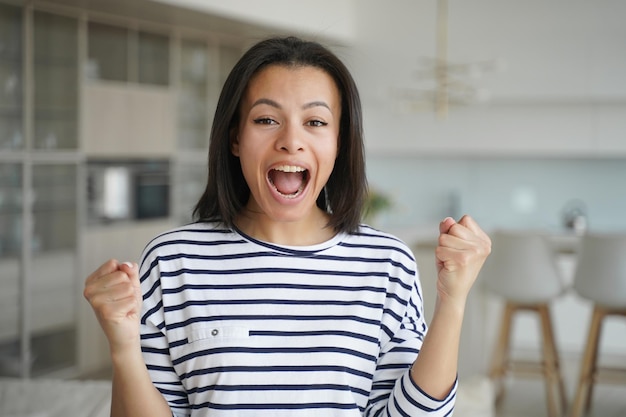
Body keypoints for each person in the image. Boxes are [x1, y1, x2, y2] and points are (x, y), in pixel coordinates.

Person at [83, 36, 491, 417]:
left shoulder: (387, 263)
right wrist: (123, 347)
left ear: (340, 142)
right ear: (235, 139)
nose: (291, 141)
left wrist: (452, 302)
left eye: (315, 122)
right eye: (266, 119)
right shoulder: (173, 261)